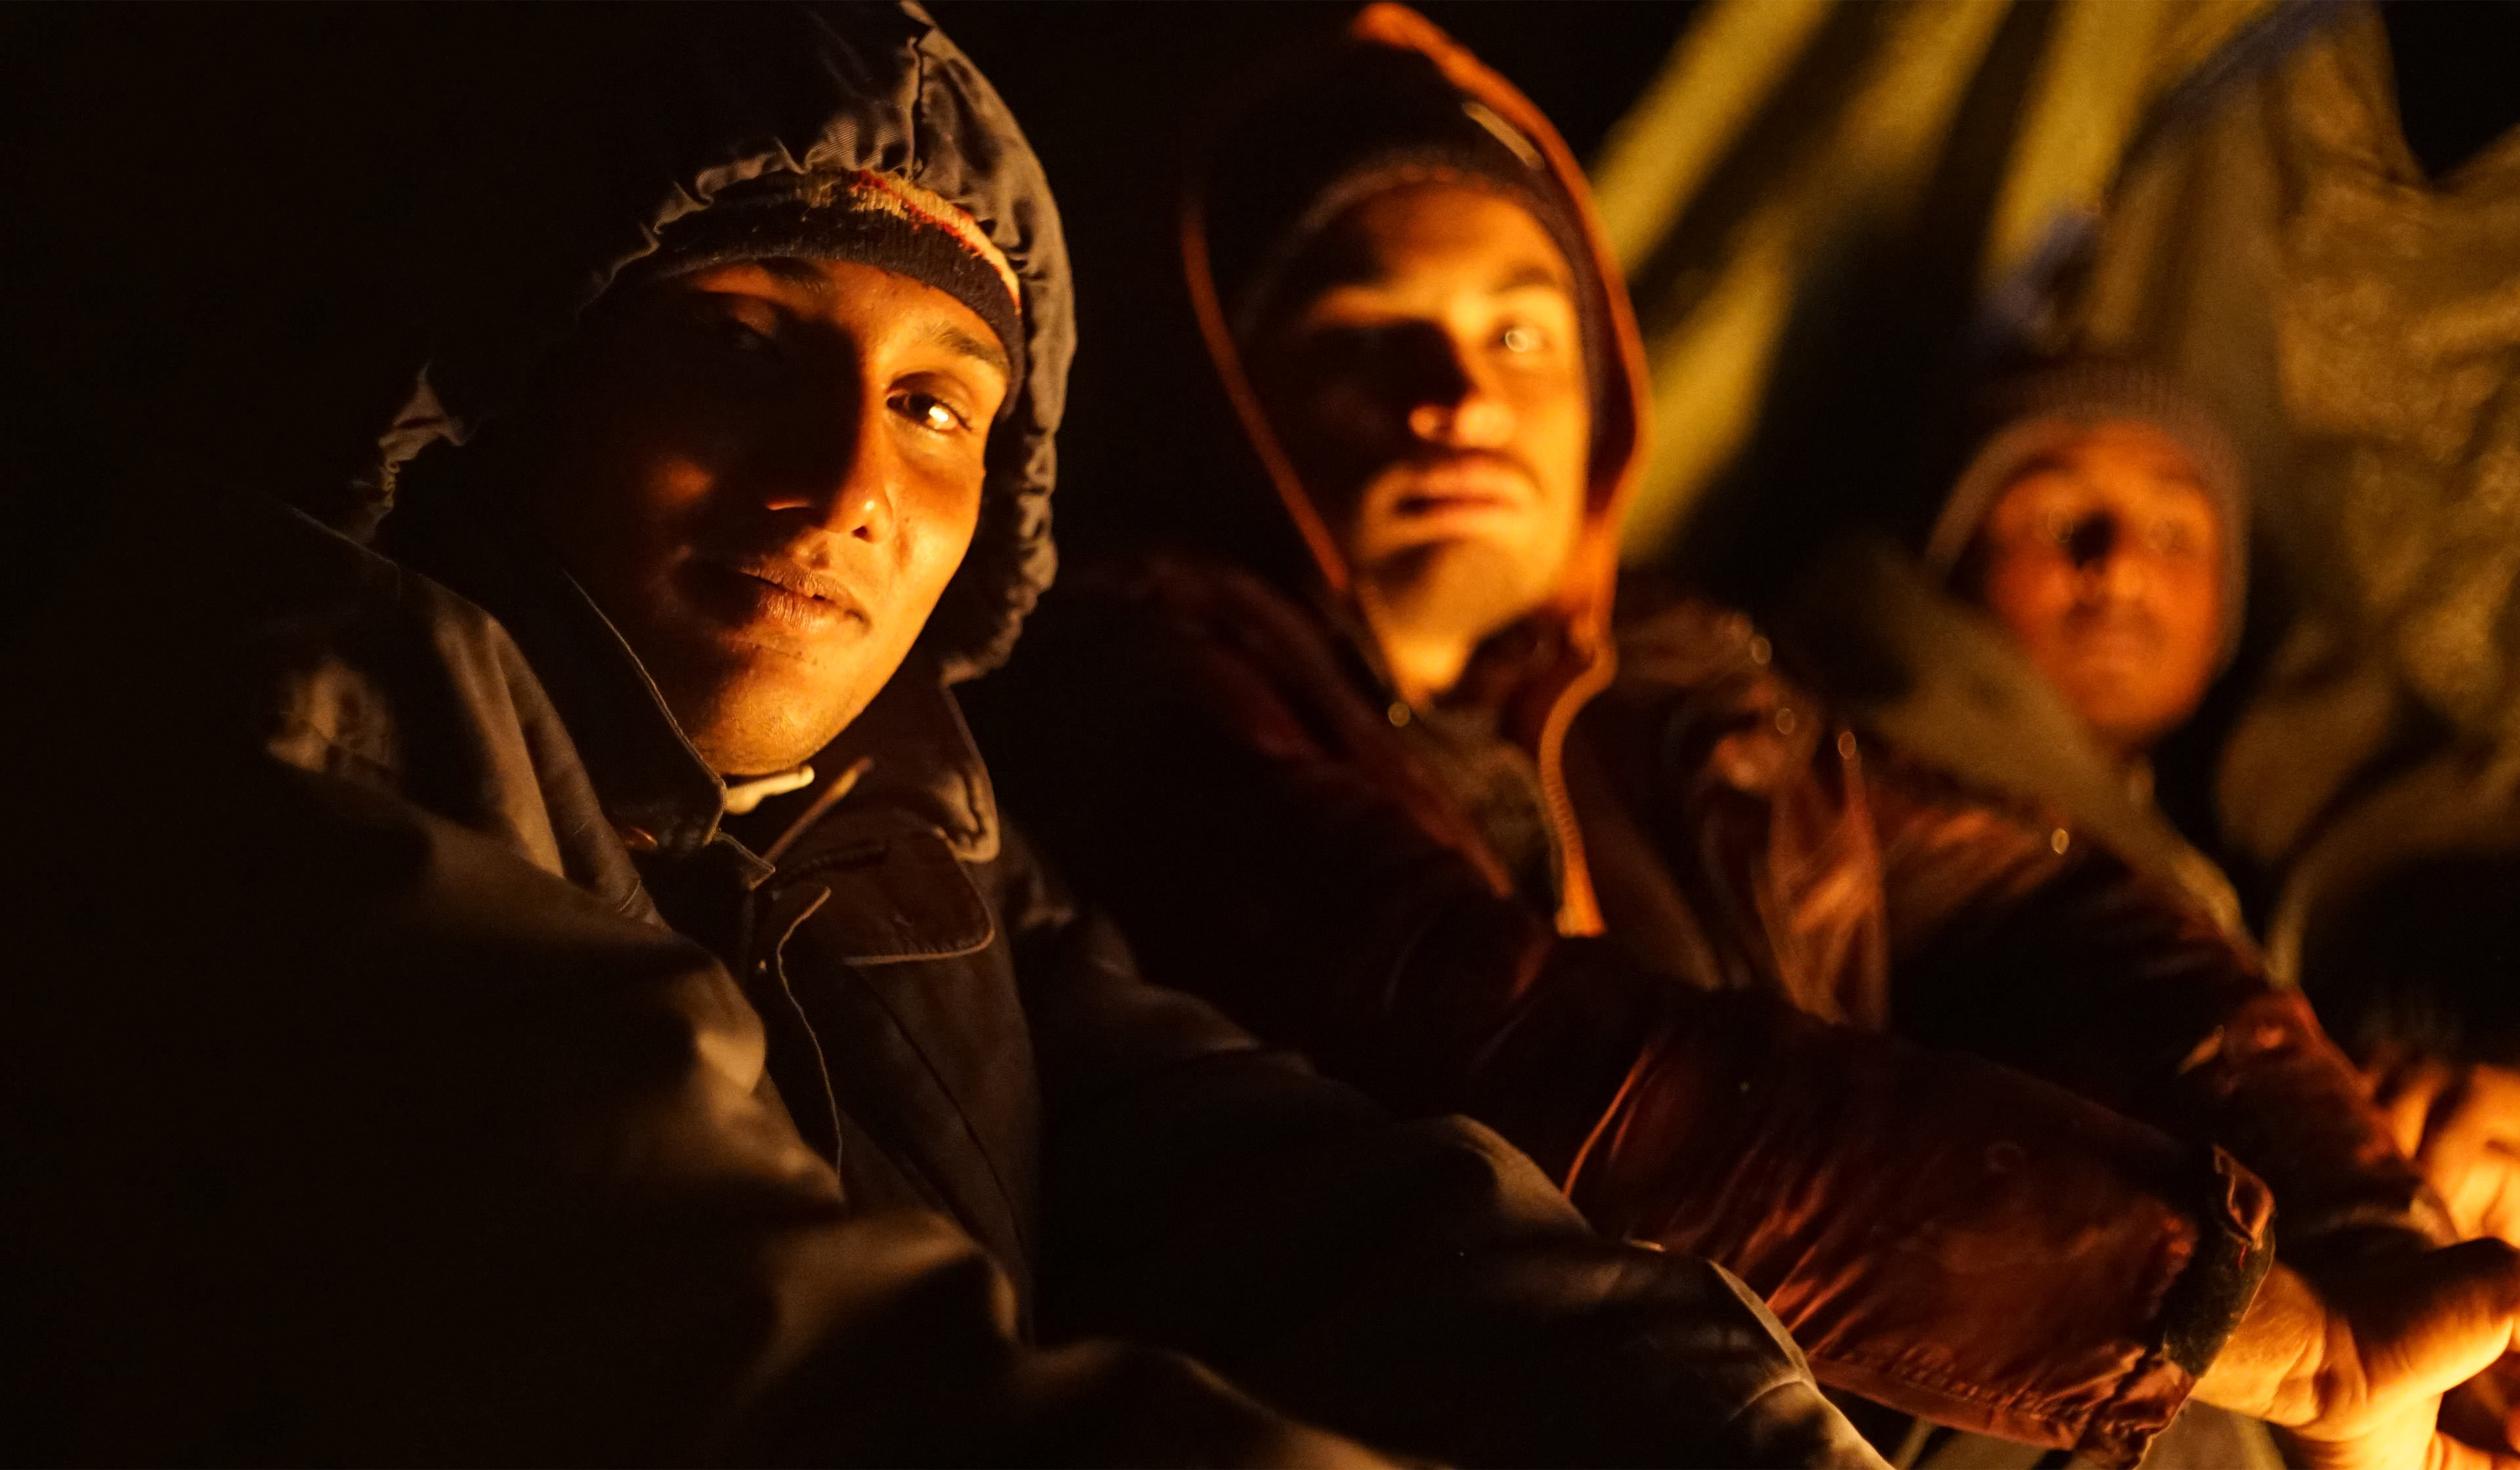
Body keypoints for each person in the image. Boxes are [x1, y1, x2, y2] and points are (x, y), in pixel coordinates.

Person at [0, 7, 1899, 1465]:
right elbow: (729, 1347)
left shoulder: (909, 824)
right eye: (743, 343)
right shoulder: (291, 713)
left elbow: (1273, 1186)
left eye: (933, 407)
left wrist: (1728, 1419)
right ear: (532, 375)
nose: (842, 484)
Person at [967, 7, 2520, 1467]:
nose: (1457, 398)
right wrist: (2253, 1332)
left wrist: (2370, 1235)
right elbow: (1551, 1067)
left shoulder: (1672, 680)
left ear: (1596, 394)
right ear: (1244, 395)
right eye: (1366, 336)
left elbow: (2043, 907)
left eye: (1521, 337)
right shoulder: (1156, 684)